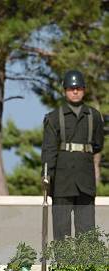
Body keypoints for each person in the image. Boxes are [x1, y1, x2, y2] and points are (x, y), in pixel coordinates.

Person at [41, 70, 104, 245]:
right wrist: (46, 175)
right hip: (62, 181)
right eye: (71, 88)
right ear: (65, 91)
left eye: (78, 88)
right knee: (62, 229)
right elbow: (49, 149)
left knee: (86, 230)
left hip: (85, 180)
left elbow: (98, 144)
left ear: (84, 90)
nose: (75, 91)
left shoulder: (94, 116)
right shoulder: (53, 118)